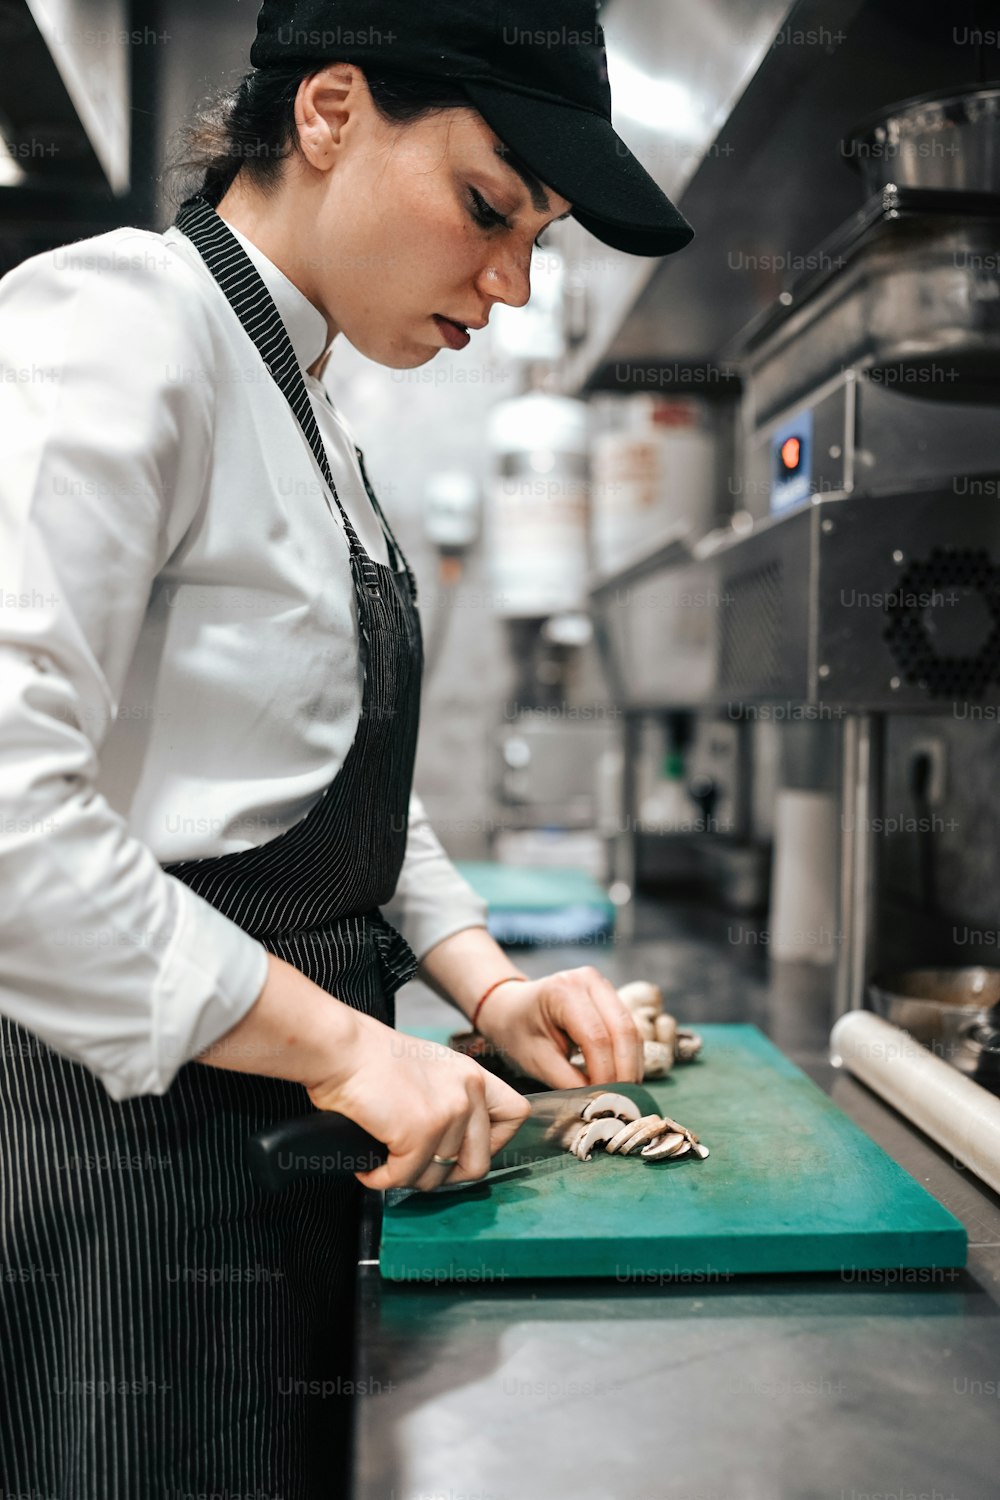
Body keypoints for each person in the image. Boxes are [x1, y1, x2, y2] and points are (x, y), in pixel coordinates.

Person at [0, 1, 694, 1496]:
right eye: (488, 208)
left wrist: (483, 985)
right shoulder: (119, 326)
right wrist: (346, 1047)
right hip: (114, 1167)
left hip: (269, 1161)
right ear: (327, 112)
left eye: (539, 239)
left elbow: (329, 775)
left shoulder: (315, 418)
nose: (509, 283)